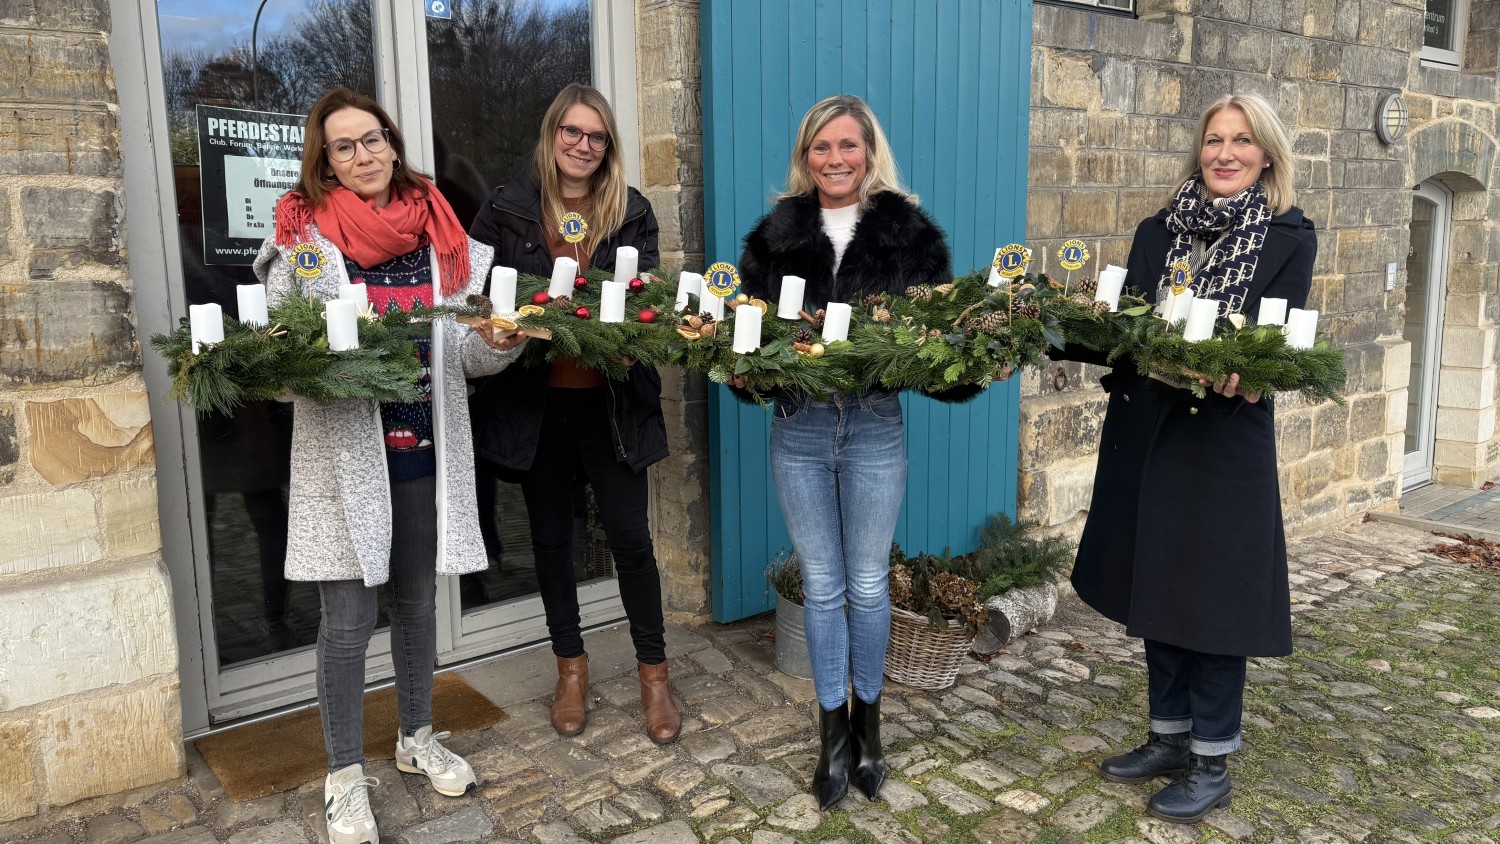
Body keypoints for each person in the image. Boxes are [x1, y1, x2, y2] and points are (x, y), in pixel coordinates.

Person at [254, 87, 526, 844]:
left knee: (415, 607)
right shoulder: (302, 242)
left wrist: (498, 346)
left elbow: (463, 353)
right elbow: (277, 365)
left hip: (425, 455)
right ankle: (344, 773)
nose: (364, 155)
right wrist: (310, 363)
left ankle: (415, 737)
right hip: (345, 465)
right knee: (346, 621)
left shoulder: (441, 231)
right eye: (344, 146)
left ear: (393, 143)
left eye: (373, 139)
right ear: (325, 159)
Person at [1067, 92, 1317, 824]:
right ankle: (1167, 739)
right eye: (1215, 139)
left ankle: (1212, 759)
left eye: (1242, 141)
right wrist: (1069, 328)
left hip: (1222, 442)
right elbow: (1133, 323)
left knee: (1212, 602)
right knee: (1160, 587)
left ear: (1266, 154)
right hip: (1150, 433)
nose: (1226, 153)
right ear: (1199, 150)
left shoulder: (1286, 238)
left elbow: (1280, 337)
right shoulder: (1157, 230)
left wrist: (1250, 368)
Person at [737, 94, 966, 811]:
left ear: (870, 153)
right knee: (822, 583)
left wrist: (973, 359)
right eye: (820, 148)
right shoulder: (770, 240)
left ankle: (871, 727)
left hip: (873, 426)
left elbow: (938, 345)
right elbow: (749, 339)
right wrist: (745, 370)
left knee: (868, 584)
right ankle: (831, 735)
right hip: (799, 428)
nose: (835, 160)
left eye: (848, 147)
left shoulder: (913, 236)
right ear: (805, 157)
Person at [467, 83, 678, 744]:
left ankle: (655, 675)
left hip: (612, 403)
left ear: (607, 144)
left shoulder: (632, 210)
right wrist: (494, 328)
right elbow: (474, 298)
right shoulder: (506, 208)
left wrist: (621, 320)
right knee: (554, 544)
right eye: (572, 133)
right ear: (552, 134)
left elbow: (645, 299)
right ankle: (571, 670)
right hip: (538, 406)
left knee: (631, 542)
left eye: (596, 136)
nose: (583, 146)